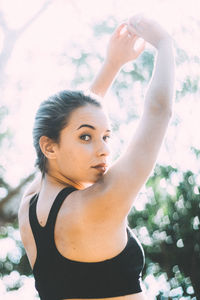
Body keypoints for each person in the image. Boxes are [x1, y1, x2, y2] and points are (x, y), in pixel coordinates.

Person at [18, 14, 175, 300]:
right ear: (49, 147)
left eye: (106, 136)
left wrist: (112, 64)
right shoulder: (97, 204)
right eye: (86, 138)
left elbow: (72, 120)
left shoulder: (30, 206)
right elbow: (159, 111)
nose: (104, 150)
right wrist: (165, 43)